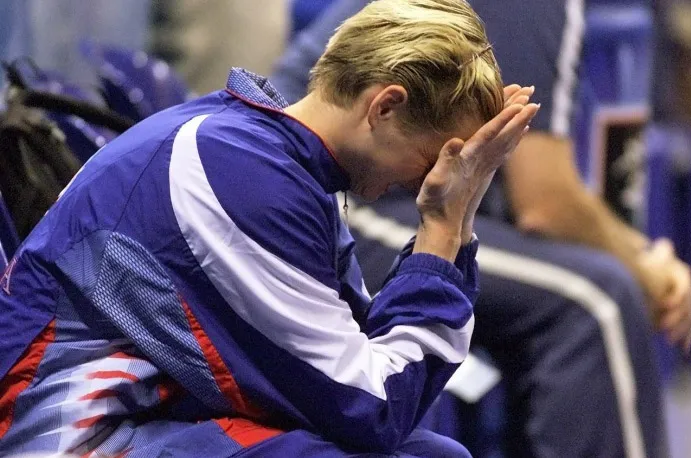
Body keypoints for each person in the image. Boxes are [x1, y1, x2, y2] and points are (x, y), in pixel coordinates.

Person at [0, 0, 538, 456]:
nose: (433, 179)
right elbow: (375, 407)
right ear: (386, 107)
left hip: (149, 415)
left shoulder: (276, 161)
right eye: (435, 158)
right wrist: (443, 228)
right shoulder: (238, 173)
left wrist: (454, 225)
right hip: (69, 437)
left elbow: (369, 362)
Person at [271, 0, 691, 457]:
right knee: (599, 301)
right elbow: (544, 203)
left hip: (386, 182)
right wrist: (644, 269)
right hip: (330, 186)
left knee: (587, 283)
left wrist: (639, 256)